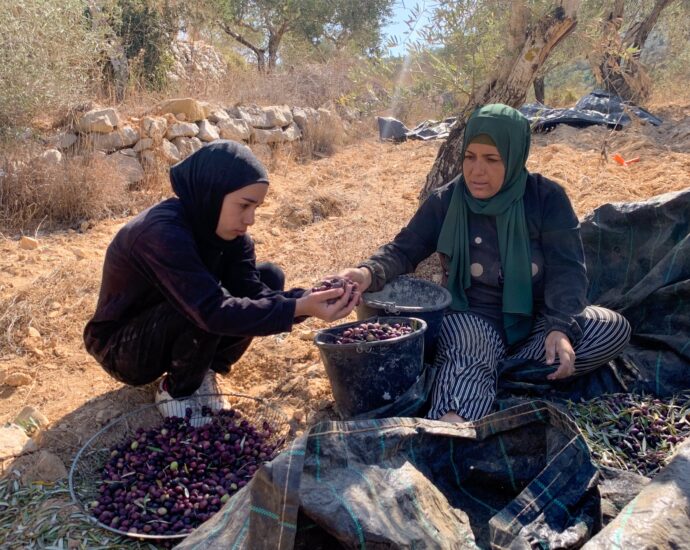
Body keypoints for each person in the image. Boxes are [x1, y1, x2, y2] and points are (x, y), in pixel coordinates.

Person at [338, 104, 631, 423]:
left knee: (610, 328)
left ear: (515, 156)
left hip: (536, 326)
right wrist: (367, 272)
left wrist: (560, 327)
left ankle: (488, 376)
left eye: (492, 159)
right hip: (473, 320)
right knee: (468, 352)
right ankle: (462, 402)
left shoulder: (547, 198)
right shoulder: (446, 201)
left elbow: (568, 270)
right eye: (470, 157)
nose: (477, 170)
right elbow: (404, 249)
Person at [84, 140, 359, 418]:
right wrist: (299, 308)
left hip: (177, 317)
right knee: (205, 308)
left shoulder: (232, 236)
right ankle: (176, 391)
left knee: (270, 277)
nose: (250, 218)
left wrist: (309, 299)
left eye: (256, 208)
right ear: (212, 193)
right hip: (123, 348)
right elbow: (210, 311)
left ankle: (203, 371)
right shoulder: (160, 233)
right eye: (244, 205)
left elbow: (256, 295)